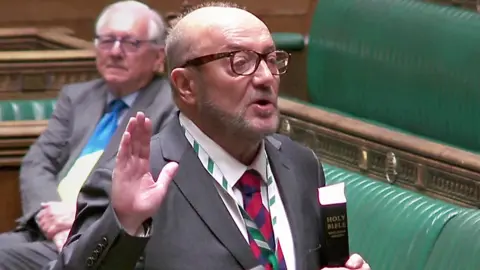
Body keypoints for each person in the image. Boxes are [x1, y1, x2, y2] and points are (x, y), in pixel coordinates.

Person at [49, 2, 370, 270]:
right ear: (187, 85)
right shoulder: (135, 183)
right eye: (239, 62)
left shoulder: (301, 165)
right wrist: (125, 223)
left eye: (271, 60)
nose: (265, 78)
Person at [0, 1, 176, 269]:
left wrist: (80, 217)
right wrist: (52, 217)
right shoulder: (77, 96)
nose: (115, 52)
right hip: (48, 230)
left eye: (130, 43)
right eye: (107, 41)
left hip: (103, 236)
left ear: (158, 57)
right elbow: (38, 163)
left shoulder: (169, 106)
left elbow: (152, 183)